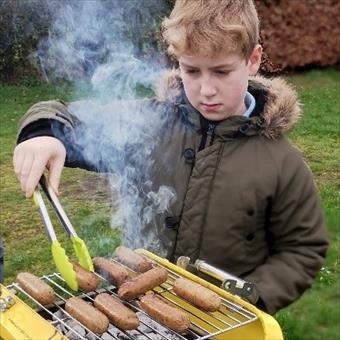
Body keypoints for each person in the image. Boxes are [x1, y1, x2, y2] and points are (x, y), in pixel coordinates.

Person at [13, 0, 328, 315]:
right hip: (138, 310)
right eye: (191, 70)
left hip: (223, 321)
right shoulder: (147, 124)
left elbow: (303, 249)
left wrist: (250, 297)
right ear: (176, 62)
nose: (206, 90)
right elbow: (68, 116)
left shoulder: (282, 163)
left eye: (221, 71)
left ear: (253, 59)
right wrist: (44, 133)